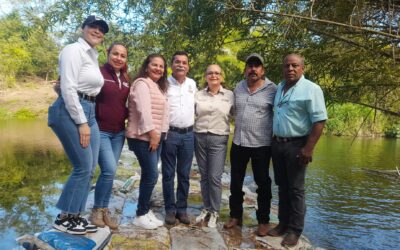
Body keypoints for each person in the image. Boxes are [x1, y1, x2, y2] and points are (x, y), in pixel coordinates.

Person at [48, 15, 109, 235]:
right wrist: (81, 122)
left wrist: (87, 118)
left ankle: (74, 216)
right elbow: (69, 88)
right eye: (93, 26)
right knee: (82, 166)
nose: (98, 31)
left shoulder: (92, 55)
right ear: (83, 28)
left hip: (89, 110)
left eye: (102, 29)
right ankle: (64, 217)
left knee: (90, 167)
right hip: (72, 111)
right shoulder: (73, 50)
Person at [268, 54, 327, 247]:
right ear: (283, 68)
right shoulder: (280, 87)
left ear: (302, 68)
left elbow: (319, 121)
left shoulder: (311, 89)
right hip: (277, 144)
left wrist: (308, 148)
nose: (290, 69)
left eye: (295, 65)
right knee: (282, 186)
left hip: (297, 144)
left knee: (296, 189)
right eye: (287, 66)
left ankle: (295, 230)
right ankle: (283, 224)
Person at [224, 53, 277, 237]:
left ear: (262, 70)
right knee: (235, 182)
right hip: (239, 142)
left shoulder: (273, 89)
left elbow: (281, 114)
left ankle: (263, 221)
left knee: (263, 184)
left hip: (261, 145)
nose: (253, 69)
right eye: (250, 66)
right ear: (245, 70)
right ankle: (235, 216)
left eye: (257, 66)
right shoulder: (238, 87)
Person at [88, 42, 130, 231]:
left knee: (110, 172)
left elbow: (126, 104)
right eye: (115, 54)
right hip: (100, 130)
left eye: (122, 55)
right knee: (108, 169)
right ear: (108, 53)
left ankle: (104, 210)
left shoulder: (127, 78)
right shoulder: (98, 74)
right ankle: (97, 210)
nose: (118, 58)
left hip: (119, 132)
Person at [126, 54, 169, 230]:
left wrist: (161, 134)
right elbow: (144, 111)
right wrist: (153, 134)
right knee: (151, 174)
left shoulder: (158, 86)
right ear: (146, 66)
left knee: (148, 174)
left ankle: (144, 209)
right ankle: (140, 214)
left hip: (155, 138)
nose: (158, 68)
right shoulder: (142, 84)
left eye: (161, 66)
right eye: (155, 65)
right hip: (143, 137)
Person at [194, 64, 234, 228]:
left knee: (214, 177)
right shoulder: (198, 95)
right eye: (210, 73)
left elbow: (236, 114)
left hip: (219, 138)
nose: (213, 75)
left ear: (222, 77)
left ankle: (215, 211)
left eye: (217, 73)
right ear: (205, 76)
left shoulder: (230, 95)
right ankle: (206, 208)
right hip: (200, 136)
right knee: (204, 176)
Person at [161, 51, 197, 225]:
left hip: (189, 135)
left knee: (184, 174)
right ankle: (170, 209)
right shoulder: (164, 84)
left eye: (184, 62)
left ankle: (182, 209)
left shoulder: (192, 84)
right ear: (171, 65)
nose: (181, 65)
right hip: (170, 134)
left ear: (188, 66)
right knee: (168, 174)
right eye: (177, 62)